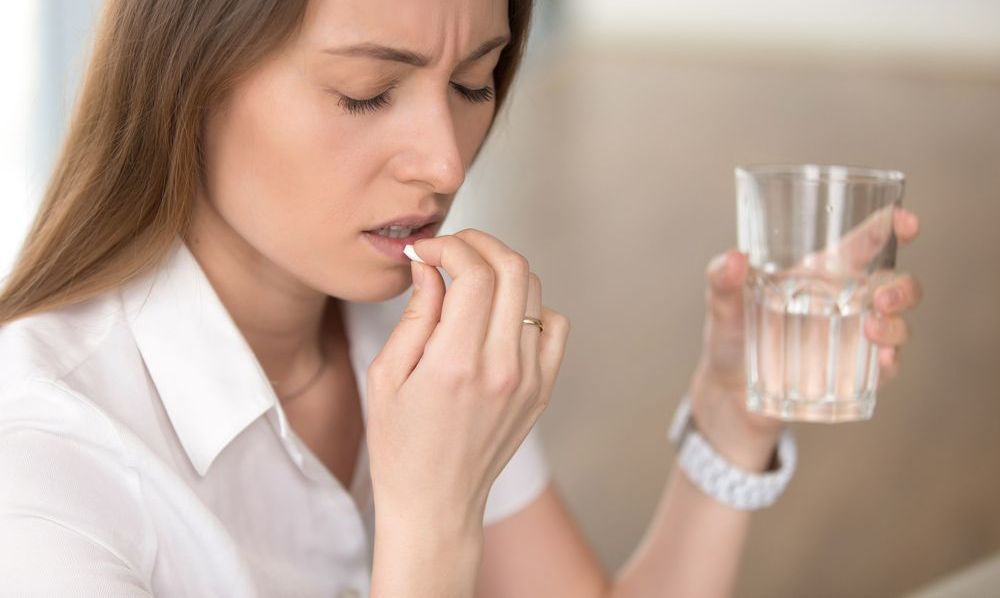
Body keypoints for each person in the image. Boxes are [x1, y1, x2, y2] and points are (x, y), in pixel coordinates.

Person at [0, 0, 922, 596]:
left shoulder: (410, 332)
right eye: (366, 94)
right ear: (183, 82)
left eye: (474, 83)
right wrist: (432, 522)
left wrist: (731, 417)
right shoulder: (40, 471)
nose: (445, 163)